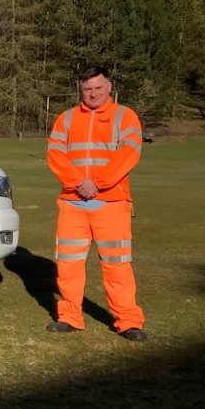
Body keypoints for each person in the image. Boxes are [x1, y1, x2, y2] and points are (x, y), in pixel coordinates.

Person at [46, 67, 146, 341]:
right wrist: (79, 181)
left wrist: (98, 182)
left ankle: (128, 321)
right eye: (88, 89)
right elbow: (55, 154)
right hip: (73, 202)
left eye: (99, 88)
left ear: (110, 87)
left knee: (117, 265)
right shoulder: (65, 119)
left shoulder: (125, 116)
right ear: (80, 89)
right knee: (68, 264)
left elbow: (129, 153)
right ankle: (69, 316)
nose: (93, 93)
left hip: (111, 203)